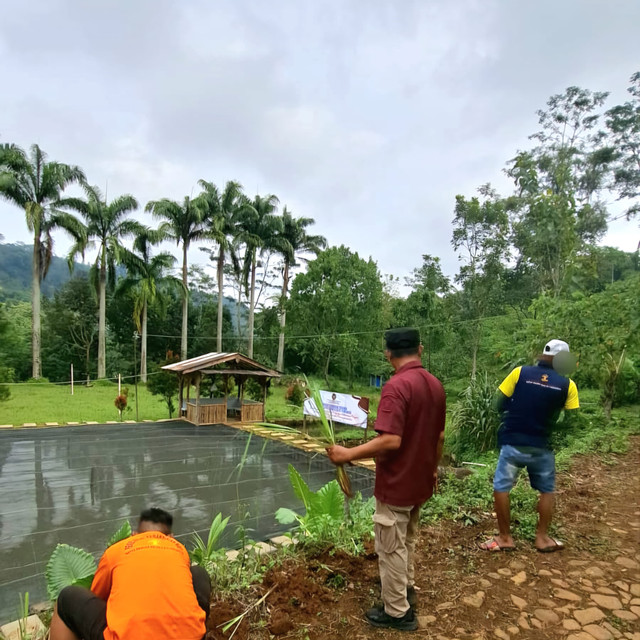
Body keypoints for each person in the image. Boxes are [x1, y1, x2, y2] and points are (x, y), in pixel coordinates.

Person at [327, 328, 446, 632]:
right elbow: (439, 436)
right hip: (420, 481)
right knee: (405, 541)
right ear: (419, 349)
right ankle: (405, 591)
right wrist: (432, 469)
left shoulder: (396, 387)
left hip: (397, 484)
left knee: (390, 547)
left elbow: (391, 441)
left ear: (388, 354)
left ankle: (397, 613)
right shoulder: (435, 386)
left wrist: (347, 454)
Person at [50, 508, 211, 640]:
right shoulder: (179, 549)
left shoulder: (116, 551)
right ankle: (197, 628)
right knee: (198, 573)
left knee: (66, 598)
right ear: (171, 538)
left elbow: (97, 596)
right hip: (190, 638)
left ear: (133, 535)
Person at [481, 339, 580, 553]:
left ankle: (505, 538)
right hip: (541, 445)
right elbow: (572, 421)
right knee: (546, 490)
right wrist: (549, 426)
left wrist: (515, 415)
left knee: (501, 487)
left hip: (513, 443)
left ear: (544, 354)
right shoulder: (567, 385)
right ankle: (542, 538)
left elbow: (498, 405)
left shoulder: (519, 373)